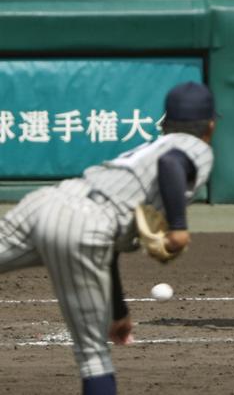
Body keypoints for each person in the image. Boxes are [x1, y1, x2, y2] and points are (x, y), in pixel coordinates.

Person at [0, 81, 216, 394]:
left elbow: (108, 247)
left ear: (165, 123)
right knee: (93, 357)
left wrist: (118, 311)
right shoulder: (195, 147)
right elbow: (171, 164)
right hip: (84, 222)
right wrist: (179, 228)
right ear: (210, 126)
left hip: (47, 201)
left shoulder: (150, 147)